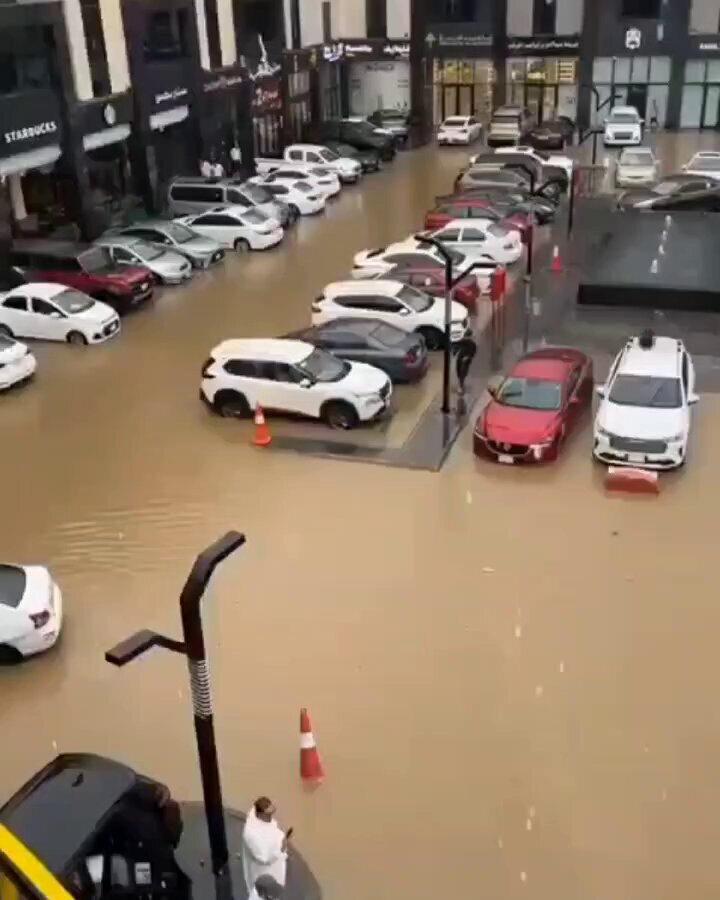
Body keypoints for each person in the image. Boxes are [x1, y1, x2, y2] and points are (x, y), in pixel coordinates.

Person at [241, 797, 288, 893]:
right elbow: (263, 858)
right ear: (260, 814)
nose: (271, 817)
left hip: (275, 873)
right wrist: (281, 849)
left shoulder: (268, 823)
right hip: (263, 876)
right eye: (268, 814)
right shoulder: (251, 833)